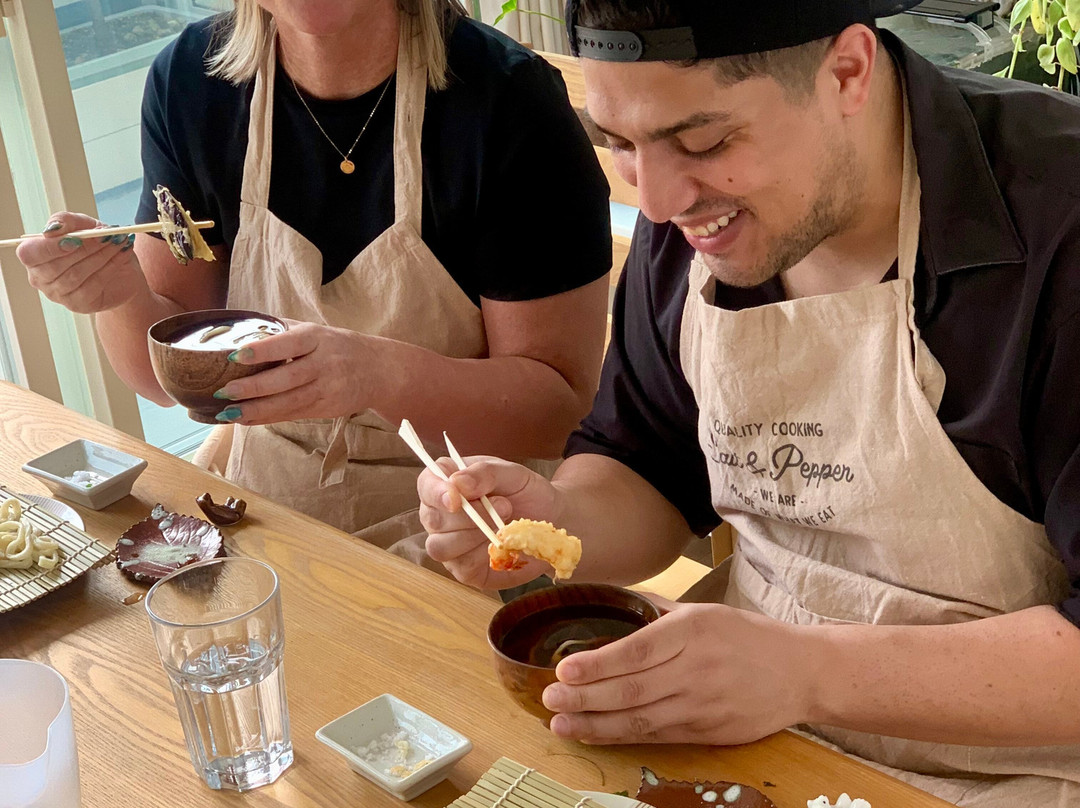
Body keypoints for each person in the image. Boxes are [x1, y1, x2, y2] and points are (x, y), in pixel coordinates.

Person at [416, 0, 1080, 804]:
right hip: (747, 736)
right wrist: (555, 519)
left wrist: (807, 671)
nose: (657, 203)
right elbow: (648, 466)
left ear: (847, 71)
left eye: (704, 142)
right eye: (621, 144)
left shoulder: (1060, 227)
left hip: (1019, 770)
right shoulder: (699, 213)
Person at [16, 0, 612, 569]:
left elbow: (557, 408)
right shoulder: (192, 85)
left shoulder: (507, 102)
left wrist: (377, 376)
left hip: (469, 528)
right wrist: (117, 292)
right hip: (261, 508)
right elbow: (168, 384)